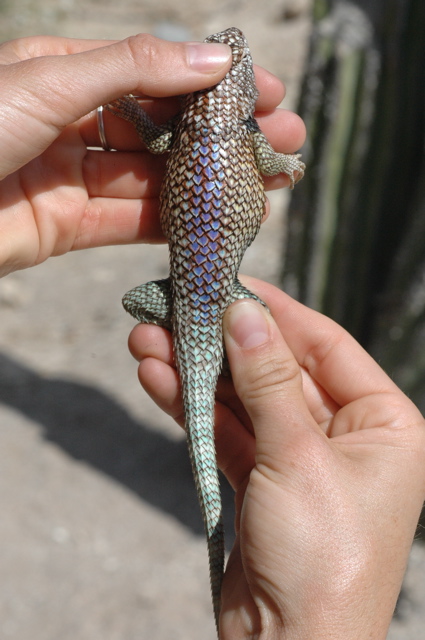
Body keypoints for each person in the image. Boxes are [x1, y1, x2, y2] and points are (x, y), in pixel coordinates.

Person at [1, 33, 424, 639]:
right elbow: (278, 164)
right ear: (245, 93)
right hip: (220, 296)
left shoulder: (182, 131)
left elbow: (153, 139)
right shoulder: (248, 132)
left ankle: (208, 346)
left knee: (174, 358)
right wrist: (285, 166)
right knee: (207, 352)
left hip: (194, 297)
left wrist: (128, 109)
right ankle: (221, 352)